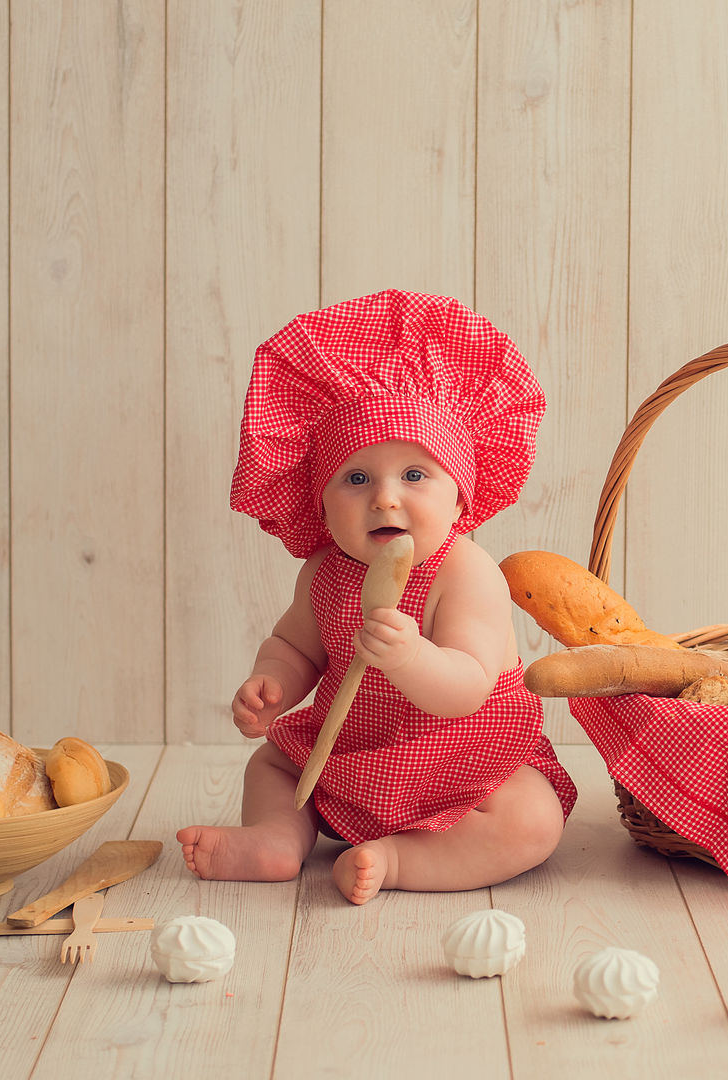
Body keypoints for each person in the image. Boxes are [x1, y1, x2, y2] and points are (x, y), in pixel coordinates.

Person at [176, 289, 577, 904]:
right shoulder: (326, 572)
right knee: (273, 767)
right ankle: (277, 839)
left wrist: (412, 657)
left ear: (462, 497)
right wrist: (273, 681)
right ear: (320, 501)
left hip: (460, 768)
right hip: (352, 755)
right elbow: (295, 644)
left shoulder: (465, 573)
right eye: (356, 479)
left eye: (415, 475)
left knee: (532, 820)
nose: (385, 498)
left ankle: (397, 859)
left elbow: (469, 684)